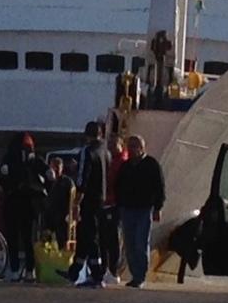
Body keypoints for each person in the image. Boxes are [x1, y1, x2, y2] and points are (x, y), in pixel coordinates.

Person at [115, 134, 166, 288]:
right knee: (129, 244)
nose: (131, 150)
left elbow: (159, 187)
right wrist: (120, 204)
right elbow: (119, 186)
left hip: (144, 209)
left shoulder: (151, 164)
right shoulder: (125, 166)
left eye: (134, 146)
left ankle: (140, 275)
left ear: (142, 148)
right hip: (127, 209)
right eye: (129, 146)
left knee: (141, 243)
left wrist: (158, 207)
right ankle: (134, 274)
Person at [0, 133, 48, 281]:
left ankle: (15, 269)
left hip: (14, 202)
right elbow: (45, 172)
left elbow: (2, 178)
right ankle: (28, 270)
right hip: (29, 203)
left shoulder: (9, 159)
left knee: (15, 238)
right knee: (28, 238)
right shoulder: (33, 160)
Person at [70, 120, 109, 287]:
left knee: (89, 235)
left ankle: (96, 273)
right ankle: (75, 270)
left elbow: (82, 179)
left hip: (88, 199)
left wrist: (76, 203)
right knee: (87, 235)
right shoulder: (105, 152)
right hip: (101, 199)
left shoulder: (87, 152)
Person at [101, 132, 127, 285]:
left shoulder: (121, 162)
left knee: (112, 239)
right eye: (109, 144)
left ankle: (112, 270)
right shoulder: (111, 160)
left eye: (113, 144)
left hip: (115, 203)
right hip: (108, 203)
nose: (110, 147)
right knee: (105, 238)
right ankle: (107, 269)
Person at [42, 154, 76, 253]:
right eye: (53, 167)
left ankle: (63, 252)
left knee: (62, 233)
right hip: (50, 214)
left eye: (58, 167)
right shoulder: (47, 181)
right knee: (46, 233)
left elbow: (72, 198)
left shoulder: (67, 182)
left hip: (63, 215)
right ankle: (47, 253)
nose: (56, 170)